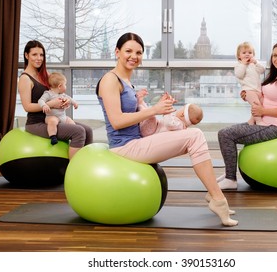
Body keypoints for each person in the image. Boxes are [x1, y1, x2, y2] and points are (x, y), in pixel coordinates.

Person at [96, 32, 237, 226]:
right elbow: (117, 121)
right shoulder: (110, 80)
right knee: (194, 136)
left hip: (137, 140)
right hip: (124, 147)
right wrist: (154, 110)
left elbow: (138, 117)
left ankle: (215, 196)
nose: (133, 56)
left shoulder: (127, 82)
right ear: (117, 52)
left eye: (138, 52)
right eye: (128, 51)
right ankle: (218, 199)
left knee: (188, 131)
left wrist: (156, 108)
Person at [217, 41, 277, 190]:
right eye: (275, 55)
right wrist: (248, 94)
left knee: (226, 134)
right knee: (223, 133)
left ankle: (231, 179)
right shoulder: (274, 76)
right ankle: (229, 174)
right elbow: (264, 98)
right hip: (263, 122)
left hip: (276, 127)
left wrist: (263, 112)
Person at [18, 40, 93, 159]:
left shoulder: (45, 75)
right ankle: (73, 169)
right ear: (27, 56)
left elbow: (56, 93)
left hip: (55, 119)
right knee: (78, 132)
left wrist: (64, 101)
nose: (39, 58)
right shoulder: (25, 79)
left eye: (41, 55)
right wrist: (50, 104)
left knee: (88, 130)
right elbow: (27, 107)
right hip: (37, 123)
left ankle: (84, 163)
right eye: (34, 54)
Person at [137, 89, 203, 137]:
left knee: (152, 117)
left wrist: (168, 109)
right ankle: (141, 103)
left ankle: (140, 104)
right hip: (153, 129)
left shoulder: (179, 125)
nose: (178, 110)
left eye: (182, 108)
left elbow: (169, 123)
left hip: (150, 133)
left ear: (182, 114)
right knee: (151, 115)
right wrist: (169, 103)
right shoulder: (178, 123)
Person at [38, 72, 78, 145]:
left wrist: (74, 103)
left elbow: (69, 98)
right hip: (51, 116)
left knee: (71, 122)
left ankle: (73, 135)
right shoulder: (48, 94)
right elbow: (40, 100)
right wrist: (44, 105)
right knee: (52, 122)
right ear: (60, 86)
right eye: (65, 85)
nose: (66, 86)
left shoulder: (62, 94)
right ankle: (53, 136)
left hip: (63, 117)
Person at [234, 42, 265, 125]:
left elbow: (262, 70)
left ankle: (251, 121)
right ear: (239, 56)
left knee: (262, 104)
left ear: (253, 55)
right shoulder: (239, 65)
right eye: (244, 53)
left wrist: (256, 62)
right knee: (256, 105)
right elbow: (239, 75)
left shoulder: (254, 65)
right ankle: (259, 122)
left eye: (250, 53)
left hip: (258, 90)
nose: (247, 54)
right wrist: (244, 64)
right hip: (248, 91)